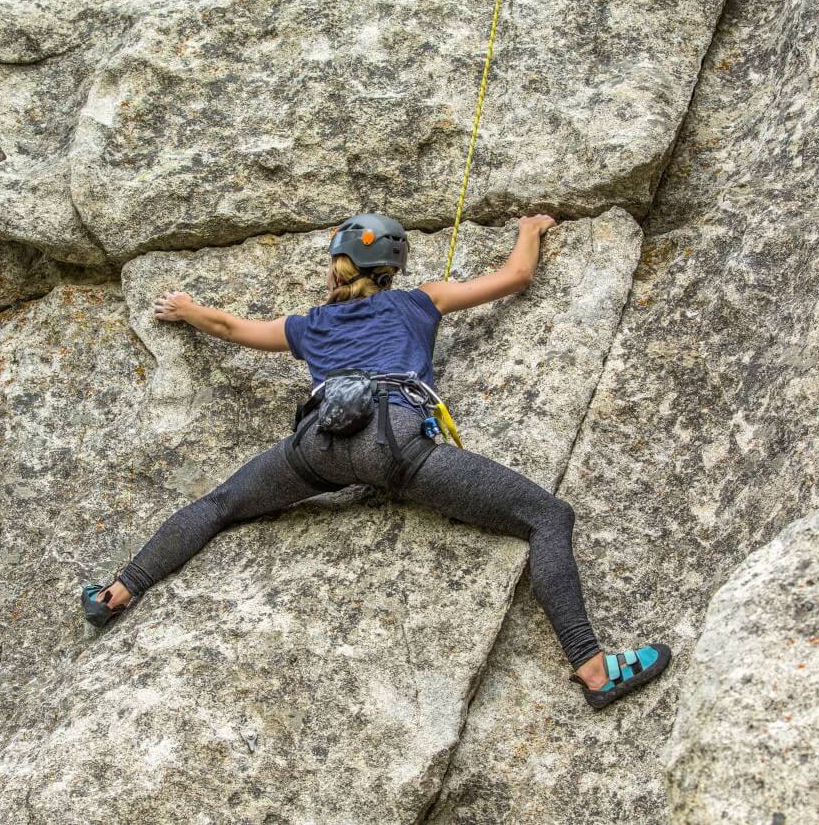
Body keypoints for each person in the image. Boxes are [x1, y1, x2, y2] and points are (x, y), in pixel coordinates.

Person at [81, 212, 670, 710]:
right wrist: (530, 227)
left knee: (220, 504)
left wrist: (186, 308)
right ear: (393, 267)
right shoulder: (420, 301)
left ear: (336, 263)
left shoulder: (308, 325)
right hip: (394, 445)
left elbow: (228, 326)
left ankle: (117, 592)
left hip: (317, 447)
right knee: (548, 517)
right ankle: (593, 671)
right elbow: (517, 276)